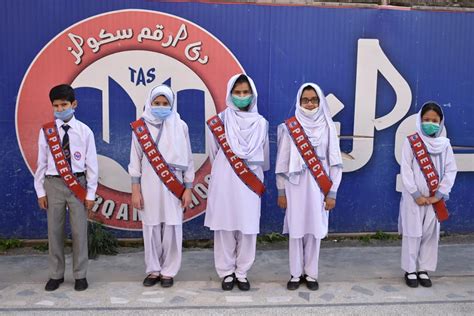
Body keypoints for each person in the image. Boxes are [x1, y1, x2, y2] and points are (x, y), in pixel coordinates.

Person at [204, 74, 270, 291]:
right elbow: (214, 154)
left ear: (252, 95)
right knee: (224, 227)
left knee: (248, 227)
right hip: (224, 179)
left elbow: (265, 157)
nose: (242, 97)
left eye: (245, 92)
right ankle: (226, 272)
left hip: (250, 182)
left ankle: (242, 272)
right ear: (230, 94)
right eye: (237, 92)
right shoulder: (219, 121)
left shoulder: (261, 123)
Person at [275, 83, 343, 291]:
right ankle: (295, 274)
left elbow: (335, 162)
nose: (310, 103)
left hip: (319, 187)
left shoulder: (328, 126)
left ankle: (311, 274)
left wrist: (332, 192)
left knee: (314, 230)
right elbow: (282, 161)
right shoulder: (289, 127)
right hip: (295, 186)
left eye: (314, 99)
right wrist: (281, 191)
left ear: (320, 101)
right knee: (296, 230)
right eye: (305, 100)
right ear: (299, 101)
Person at [34, 84, 98, 291]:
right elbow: (41, 164)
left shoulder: (85, 131)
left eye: (64, 105)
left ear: (74, 104)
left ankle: (80, 275)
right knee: (54, 232)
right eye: (56, 106)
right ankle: (56, 274)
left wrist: (90, 193)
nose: (60, 109)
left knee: (80, 231)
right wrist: (40, 191)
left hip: (77, 184)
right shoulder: (47, 132)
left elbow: (92, 165)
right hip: (53, 184)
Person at [129, 84, 194, 288]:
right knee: (150, 226)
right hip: (148, 183)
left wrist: (189, 188)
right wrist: (135, 190)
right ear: (150, 103)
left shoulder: (181, 126)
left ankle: (168, 271)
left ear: (172, 104)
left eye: (165, 103)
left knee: (173, 226)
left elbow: (189, 159)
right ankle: (153, 269)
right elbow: (135, 159)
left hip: (174, 183)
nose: (161, 106)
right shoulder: (140, 127)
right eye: (157, 103)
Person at [399, 101, 457, 288]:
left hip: (434, 199)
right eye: (426, 119)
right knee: (412, 233)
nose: (430, 123)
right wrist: (416, 194)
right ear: (419, 120)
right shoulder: (411, 142)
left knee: (430, 234)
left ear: (440, 122)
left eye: (434, 120)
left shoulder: (445, 145)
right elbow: (406, 169)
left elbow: (451, 170)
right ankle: (410, 270)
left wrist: (439, 194)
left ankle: (423, 269)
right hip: (414, 198)